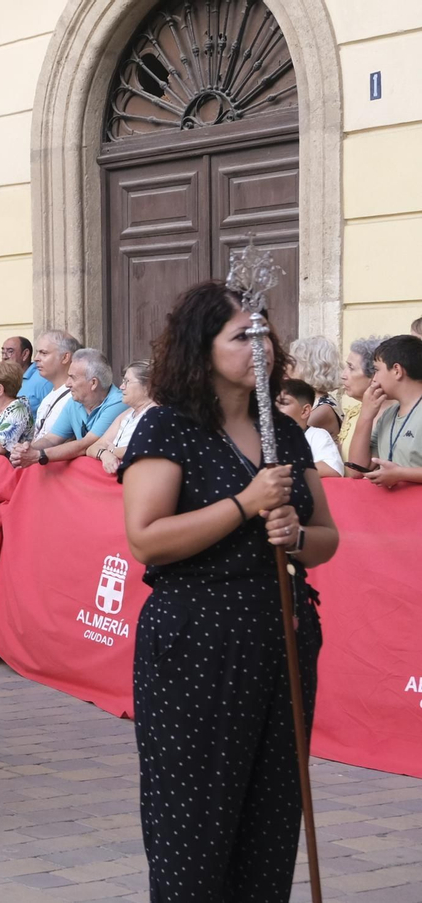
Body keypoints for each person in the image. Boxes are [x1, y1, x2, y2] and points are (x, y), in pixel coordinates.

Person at [120, 280, 339, 901]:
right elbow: (146, 538)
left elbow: (326, 537)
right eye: (240, 334)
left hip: (284, 639)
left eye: (264, 331)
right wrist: (245, 504)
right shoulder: (169, 427)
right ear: (201, 347)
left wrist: (295, 534)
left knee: (271, 821)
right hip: (198, 646)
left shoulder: (287, 435)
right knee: (196, 821)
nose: (258, 345)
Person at [12, 348, 126, 468]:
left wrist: (38, 455)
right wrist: (26, 450)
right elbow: (51, 439)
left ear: (93, 383)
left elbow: (85, 445)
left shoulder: (119, 403)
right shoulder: (74, 402)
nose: (67, 384)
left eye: (73, 377)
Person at [348, 334, 422, 488]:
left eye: (376, 370)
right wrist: (366, 416)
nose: (373, 379)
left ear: (397, 370)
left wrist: (400, 474)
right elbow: (356, 470)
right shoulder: (389, 414)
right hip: (392, 510)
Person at [88, 360, 156, 474]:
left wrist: (112, 450)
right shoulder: (127, 414)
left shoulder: (156, 414)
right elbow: (92, 448)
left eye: (127, 381)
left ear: (147, 386)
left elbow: (143, 449)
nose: (121, 387)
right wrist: (104, 454)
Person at [276, 378, 345, 478]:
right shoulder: (267, 437)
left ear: (305, 411)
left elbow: (333, 468)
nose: (275, 409)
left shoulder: (316, 435)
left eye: (284, 403)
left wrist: (285, 467)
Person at [339, 335, 386, 458]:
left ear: (373, 375)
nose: (343, 375)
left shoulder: (389, 416)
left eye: (351, 368)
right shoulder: (353, 412)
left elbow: (357, 470)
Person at [26, 330, 80, 434]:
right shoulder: (49, 396)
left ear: (65, 357)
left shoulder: (75, 397)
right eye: (37, 352)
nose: (36, 358)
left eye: (44, 353)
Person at [288, 336, 343, 436]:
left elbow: (289, 436)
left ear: (309, 367)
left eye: (294, 362)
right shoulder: (314, 401)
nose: (288, 367)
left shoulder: (323, 409)